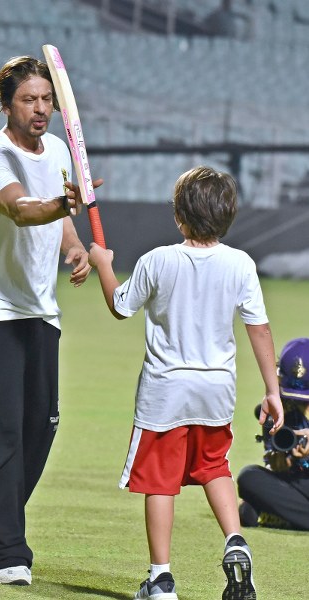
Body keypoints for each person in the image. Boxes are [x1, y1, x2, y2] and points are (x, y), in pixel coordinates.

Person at [88, 165, 284, 600]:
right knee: (215, 468)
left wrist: (103, 263)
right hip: (217, 391)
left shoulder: (158, 261)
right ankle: (235, 539)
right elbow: (260, 329)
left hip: (165, 392)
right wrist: (272, 390)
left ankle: (160, 578)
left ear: (178, 216)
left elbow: (121, 307)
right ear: (228, 217)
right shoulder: (241, 264)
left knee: (160, 481)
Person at [0, 55, 102, 586]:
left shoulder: (55, 149)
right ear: (6, 104)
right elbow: (22, 210)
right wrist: (62, 205)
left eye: (46, 99)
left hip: (41, 312)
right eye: (28, 99)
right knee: (1, 433)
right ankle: (7, 548)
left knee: (40, 430)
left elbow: (56, 224)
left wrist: (75, 246)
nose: (40, 109)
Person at [238, 337, 309, 531]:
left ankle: (274, 515)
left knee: (249, 511)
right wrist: (280, 466)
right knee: (248, 477)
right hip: (296, 485)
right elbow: (279, 464)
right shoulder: (275, 410)